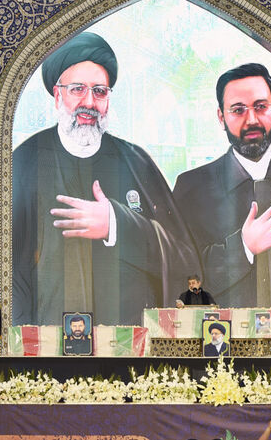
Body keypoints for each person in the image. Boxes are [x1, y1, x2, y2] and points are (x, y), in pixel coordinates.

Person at [11, 32, 200, 326]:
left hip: (134, 356)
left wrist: (116, 223)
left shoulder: (136, 163)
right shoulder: (23, 162)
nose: (89, 102)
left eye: (99, 91)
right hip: (47, 354)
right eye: (77, 90)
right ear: (57, 93)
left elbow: (186, 261)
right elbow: (8, 271)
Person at [172, 63, 271, 326]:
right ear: (220, 116)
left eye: (261, 107)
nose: (252, 120)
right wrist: (243, 247)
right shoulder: (190, 188)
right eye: (238, 110)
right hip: (221, 357)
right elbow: (177, 277)